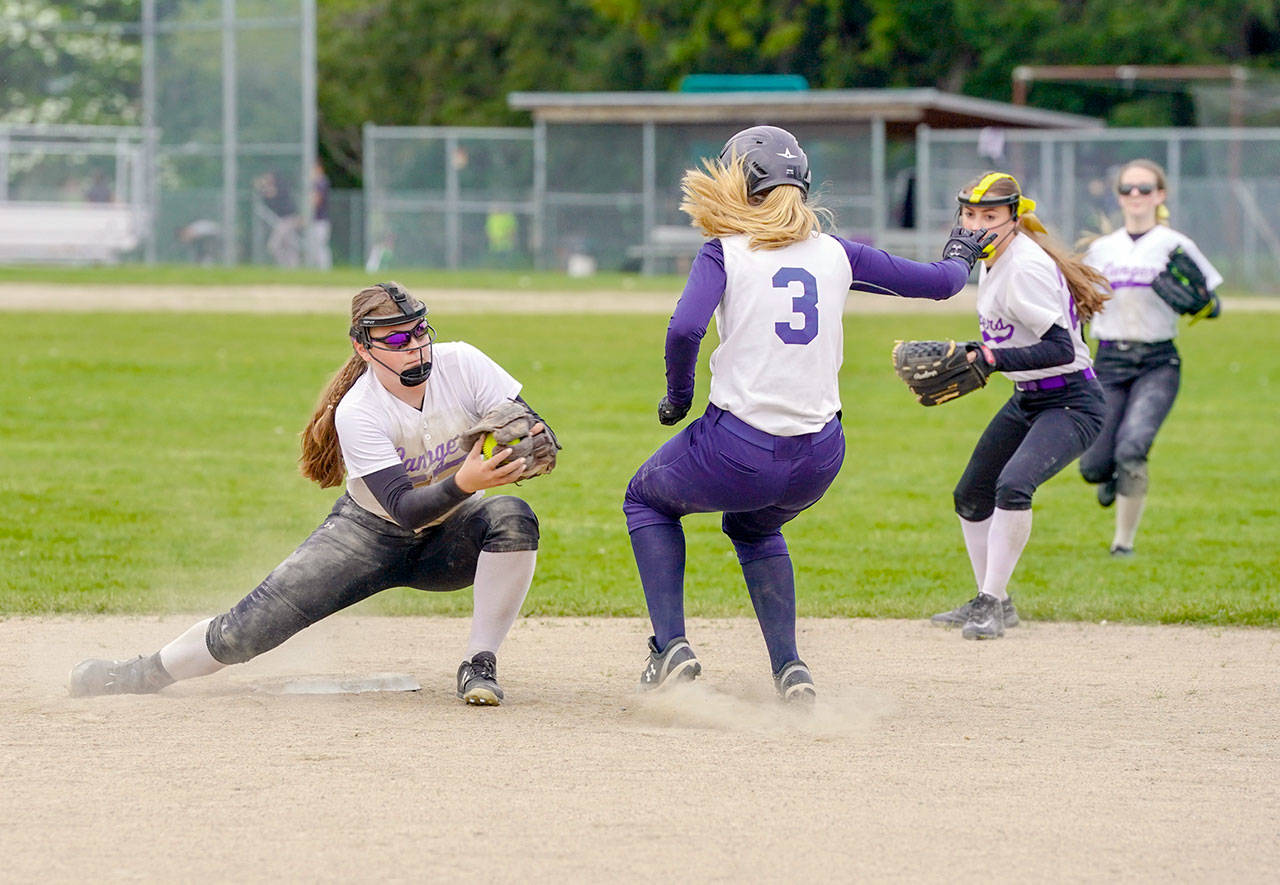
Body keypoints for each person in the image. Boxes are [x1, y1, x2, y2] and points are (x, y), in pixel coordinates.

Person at [623, 125, 987, 703]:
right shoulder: (836, 252)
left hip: (738, 449)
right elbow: (944, 284)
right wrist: (962, 249)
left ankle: (671, 647)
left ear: (742, 183)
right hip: (820, 456)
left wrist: (678, 397)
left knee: (644, 499)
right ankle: (790, 669)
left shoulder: (725, 252)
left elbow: (686, 327)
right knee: (755, 526)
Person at [69, 282, 553, 706]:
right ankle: (142, 671)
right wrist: (467, 480)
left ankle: (479, 663)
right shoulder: (359, 410)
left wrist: (531, 439)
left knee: (512, 515)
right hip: (366, 536)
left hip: (452, 538)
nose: (417, 348)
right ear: (364, 348)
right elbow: (404, 511)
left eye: (422, 332)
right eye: (399, 340)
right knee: (242, 634)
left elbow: (525, 422)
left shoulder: (464, 363)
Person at [929, 172, 1110, 639]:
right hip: (1028, 397)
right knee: (971, 494)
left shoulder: (1023, 266)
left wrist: (990, 358)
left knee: (1013, 486)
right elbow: (1009, 334)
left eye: (990, 216)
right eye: (969, 215)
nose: (976, 225)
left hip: (1072, 400)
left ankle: (991, 601)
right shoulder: (994, 261)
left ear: (1015, 219)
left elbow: (1062, 349)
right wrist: (979, 349)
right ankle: (996, 602)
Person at [1078, 159, 1223, 557]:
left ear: (1160, 195)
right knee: (1092, 466)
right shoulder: (1101, 250)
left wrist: (1203, 304)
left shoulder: (1175, 245)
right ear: (1119, 196)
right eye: (1128, 189)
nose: (1136, 196)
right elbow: (1078, 304)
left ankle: (1123, 544)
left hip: (1158, 362)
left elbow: (1211, 303)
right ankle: (1109, 475)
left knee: (1132, 448)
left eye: (1145, 189)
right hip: (1108, 362)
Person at [309, 159, 333, 270]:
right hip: (315, 220)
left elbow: (317, 200)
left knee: (320, 246)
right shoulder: (315, 183)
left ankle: (324, 269)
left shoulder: (322, 182)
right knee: (314, 246)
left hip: (321, 220)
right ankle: (317, 268)